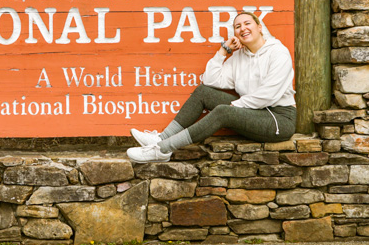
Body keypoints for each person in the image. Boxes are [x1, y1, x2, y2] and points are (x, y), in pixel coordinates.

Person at [127, 11, 296, 163]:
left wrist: (236, 106)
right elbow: (210, 79)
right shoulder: (239, 57)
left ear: (259, 28)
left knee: (224, 111)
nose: (242, 28)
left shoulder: (278, 52)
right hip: (254, 112)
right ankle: (161, 138)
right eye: (237, 26)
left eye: (247, 23)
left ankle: (162, 150)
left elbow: (269, 94)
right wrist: (224, 51)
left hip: (278, 119)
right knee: (203, 92)